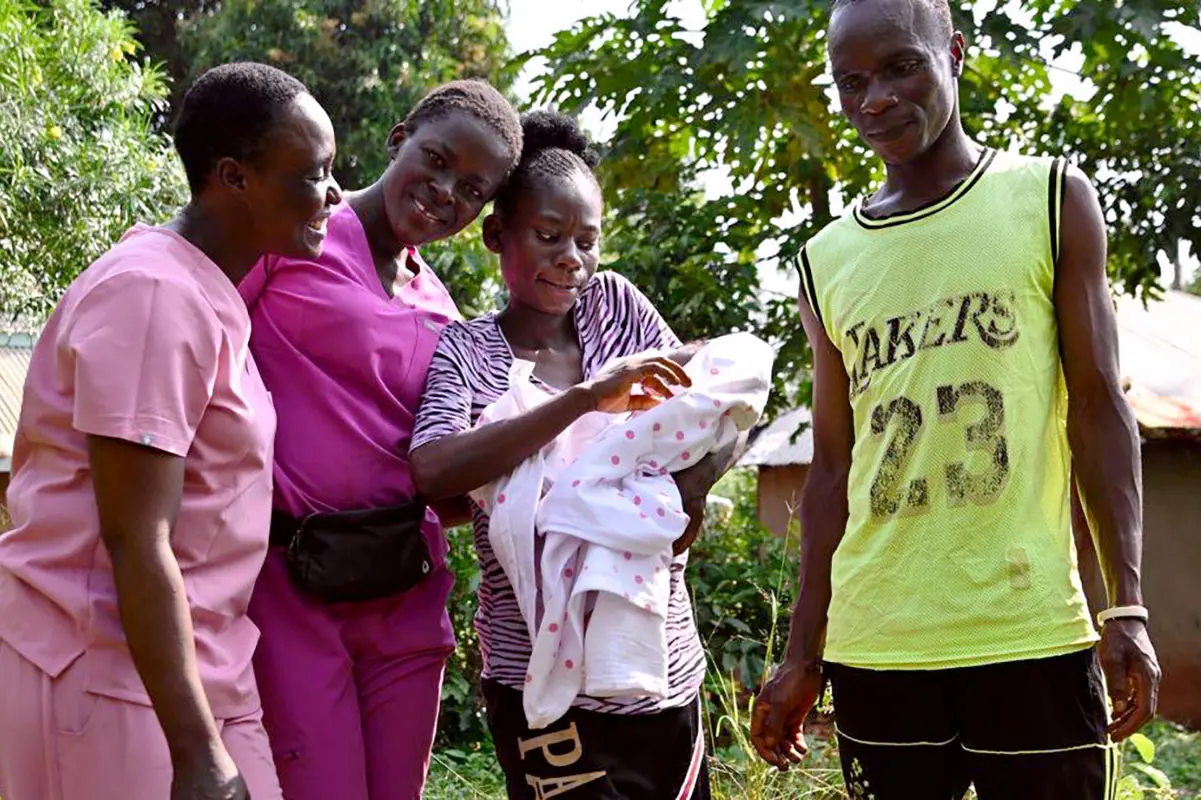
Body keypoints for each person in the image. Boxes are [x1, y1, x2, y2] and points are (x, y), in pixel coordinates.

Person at [749, 0, 1161, 797]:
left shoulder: (1047, 199)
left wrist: (1126, 607)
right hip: (879, 646)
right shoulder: (825, 259)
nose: (872, 100)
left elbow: (1099, 409)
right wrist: (804, 651)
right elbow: (833, 467)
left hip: (1027, 629)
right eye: (850, 82)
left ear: (954, 53)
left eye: (900, 66)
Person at [0, 62, 341, 800]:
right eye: (314, 173)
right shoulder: (153, 296)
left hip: (193, 666)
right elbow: (134, 536)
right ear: (234, 176)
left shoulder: (202, 290)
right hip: (104, 675)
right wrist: (196, 751)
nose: (334, 195)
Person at [410, 110, 736, 800]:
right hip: (542, 691)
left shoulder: (614, 308)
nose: (572, 259)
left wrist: (686, 495)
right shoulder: (466, 352)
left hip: (662, 674)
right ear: (498, 235)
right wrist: (586, 399)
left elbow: (709, 417)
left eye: (587, 242)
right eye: (549, 236)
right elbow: (434, 471)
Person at [238, 79, 523, 799]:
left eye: (471, 190)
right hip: (289, 579)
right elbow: (192, 343)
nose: (443, 192)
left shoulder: (440, 305)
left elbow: (456, 458)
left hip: (404, 584)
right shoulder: (292, 234)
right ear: (398, 138)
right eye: (435, 160)